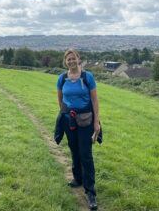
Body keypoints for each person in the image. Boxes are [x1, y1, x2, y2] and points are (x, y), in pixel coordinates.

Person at [54, 48, 101, 210]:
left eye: (74, 58)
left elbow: (95, 101)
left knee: (86, 154)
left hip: (86, 121)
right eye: (68, 59)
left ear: (78, 59)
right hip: (69, 122)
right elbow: (60, 100)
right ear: (65, 62)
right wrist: (65, 115)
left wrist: (97, 122)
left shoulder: (88, 77)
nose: (71, 61)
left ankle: (90, 192)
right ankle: (78, 179)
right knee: (74, 150)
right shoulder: (62, 78)